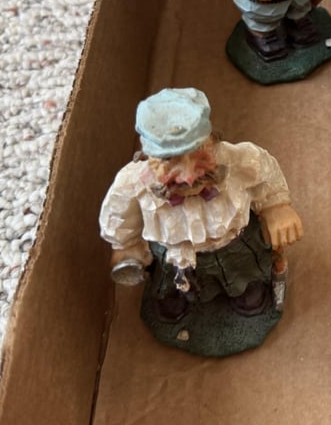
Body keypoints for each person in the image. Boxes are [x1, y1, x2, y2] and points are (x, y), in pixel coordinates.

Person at [99, 88, 303, 324]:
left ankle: (246, 292)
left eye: (199, 154)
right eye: (169, 160)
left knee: (243, 275)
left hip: (234, 246)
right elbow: (119, 216)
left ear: (212, 141)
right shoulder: (131, 183)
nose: (188, 177)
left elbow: (266, 175)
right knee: (173, 284)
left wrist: (276, 207)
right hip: (175, 256)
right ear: (148, 156)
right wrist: (125, 245)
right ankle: (176, 297)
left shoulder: (239, 159)